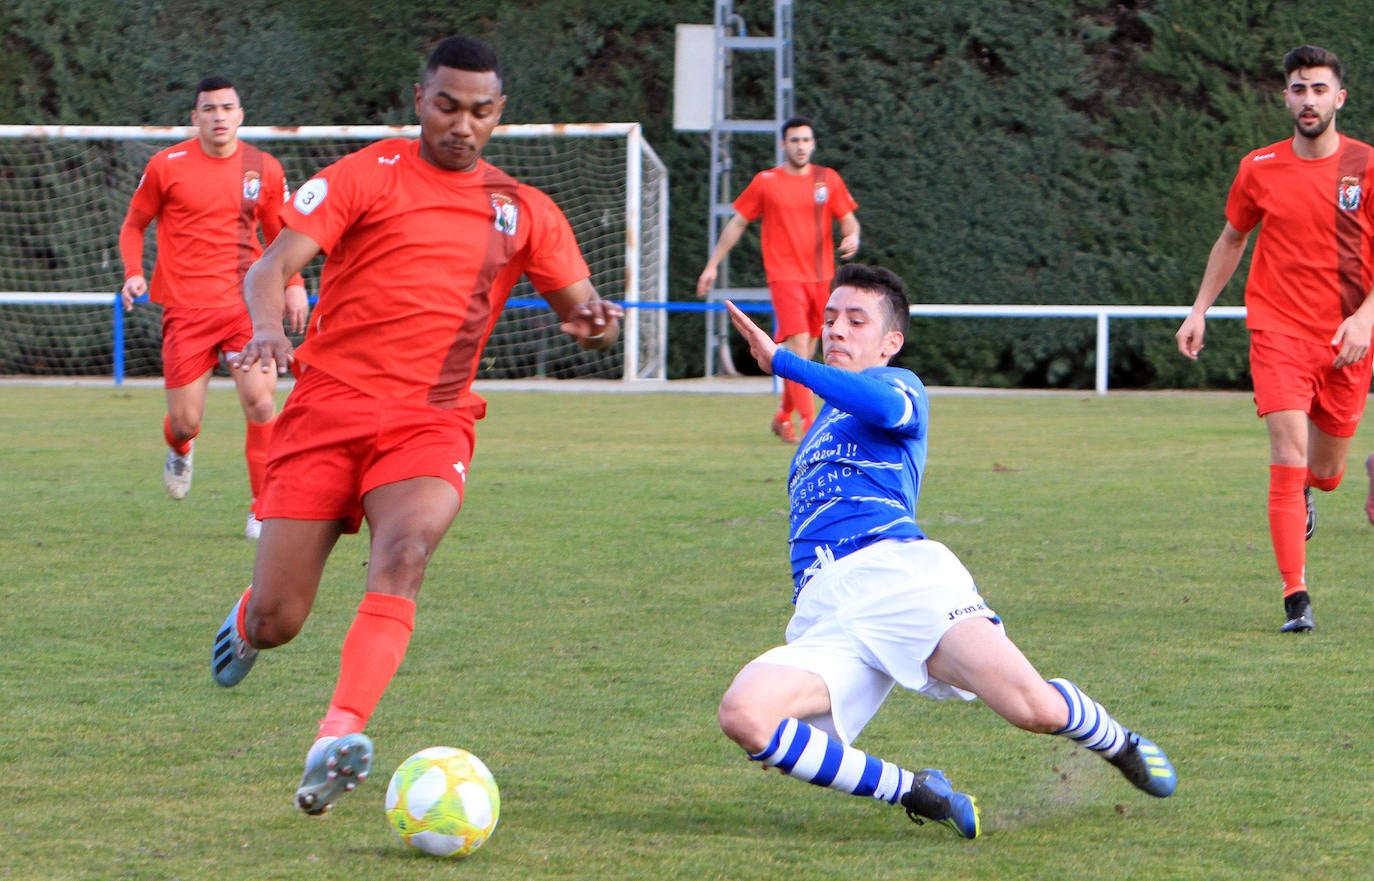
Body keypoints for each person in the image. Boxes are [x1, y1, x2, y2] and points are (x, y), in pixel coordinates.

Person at [209, 35, 622, 815]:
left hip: (430, 420)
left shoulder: (524, 209)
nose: (461, 124)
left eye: (480, 111)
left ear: (498, 114)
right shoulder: (367, 175)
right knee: (280, 618)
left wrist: (598, 325)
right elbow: (269, 268)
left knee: (406, 550)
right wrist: (267, 330)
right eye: (447, 105)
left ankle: (336, 735)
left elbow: (585, 312)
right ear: (419, 99)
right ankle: (247, 619)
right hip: (326, 412)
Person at [717, 264, 1176, 839]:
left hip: (902, 580)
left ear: (891, 343)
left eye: (856, 321)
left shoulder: (900, 388)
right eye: (830, 318)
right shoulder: (820, 424)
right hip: (826, 608)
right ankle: (919, 791)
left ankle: (1117, 743)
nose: (836, 330)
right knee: (746, 715)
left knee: (1030, 708)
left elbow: (879, 408)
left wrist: (784, 361)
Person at [1176, 45, 1374, 634]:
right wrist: (1200, 311)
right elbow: (1232, 238)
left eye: (1318, 89)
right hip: (1277, 331)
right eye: (1297, 89)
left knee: (1325, 470)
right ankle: (1297, 598)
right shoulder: (1258, 166)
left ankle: (1328, 482)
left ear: (1339, 97)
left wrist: (1365, 318)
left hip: (1347, 339)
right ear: (1285, 97)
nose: (1307, 100)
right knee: (1286, 460)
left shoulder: (1367, 167)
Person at [120, 76, 308, 539]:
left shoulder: (263, 167)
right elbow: (134, 224)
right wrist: (132, 271)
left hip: (245, 305)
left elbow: (280, 234)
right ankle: (181, 449)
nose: (219, 116)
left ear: (240, 114)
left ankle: (262, 508)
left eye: (227, 107)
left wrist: (295, 283)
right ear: (195, 117)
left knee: (261, 402)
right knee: (186, 421)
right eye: (210, 109)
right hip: (185, 310)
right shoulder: (167, 166)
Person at [696, 116, 860, 444]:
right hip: (784, 277)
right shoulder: (766, 182)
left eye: (805, 140)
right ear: (783, 145)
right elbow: (737, 224)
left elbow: (849, 220)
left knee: (805, 357)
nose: (800, 146)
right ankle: (812, 427)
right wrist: (712, 264)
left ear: (813, 144)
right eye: (794, 140)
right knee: (798, 350)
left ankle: (783, 415)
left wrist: (852, 236)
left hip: (821, 279)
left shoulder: (828, 180)